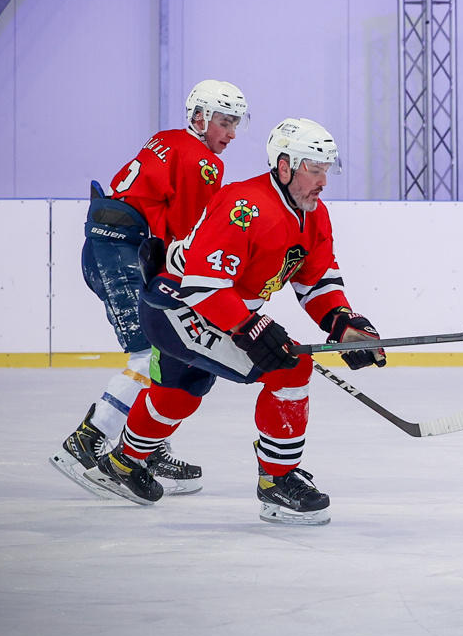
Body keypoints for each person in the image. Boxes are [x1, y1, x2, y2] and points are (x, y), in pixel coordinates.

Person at [83, 117, 387, 525]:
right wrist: (249, 328)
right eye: (314, 170)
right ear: (284, 167)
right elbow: (204, 285)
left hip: (205, 308)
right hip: (178, 306)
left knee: (180, 392)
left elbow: (316, 281)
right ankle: (277, 481)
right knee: (290, 369)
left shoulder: (314, 215)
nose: (323, 181)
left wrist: (342, 323)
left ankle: (123, 463)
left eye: (326, 171)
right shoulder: (244, 206)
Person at [52, 79, 249, 496]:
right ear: (200, 118)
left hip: (109, 246)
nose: (231, 133)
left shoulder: (167, 139)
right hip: (123, 250)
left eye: (236, 123)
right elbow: (189, 235)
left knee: (165, 351)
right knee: (152, 352)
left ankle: (148, 447)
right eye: (224, 122)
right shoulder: (204, 162)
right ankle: (87, 440)